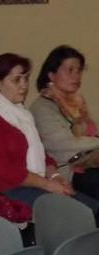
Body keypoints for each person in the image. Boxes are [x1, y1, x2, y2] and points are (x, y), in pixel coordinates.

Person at [0, 53, 99, 216]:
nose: (24, 85)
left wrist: (56, 176)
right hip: (1, 192)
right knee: (80, 214)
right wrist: (47, 185)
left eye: (25, 79)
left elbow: (43, 156)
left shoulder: (22, 114)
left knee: (91, 208)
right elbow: (7, 170)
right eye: (17, 80)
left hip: (31, 183)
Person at [30, 45, 99, 199]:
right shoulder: (41, 108)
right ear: (51, 75)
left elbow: (92, 134)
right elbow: (63, 144)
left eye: (79, 70)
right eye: (70, 70)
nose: (76, 76)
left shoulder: (77, 104)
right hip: (68, 171)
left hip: (90, 164)